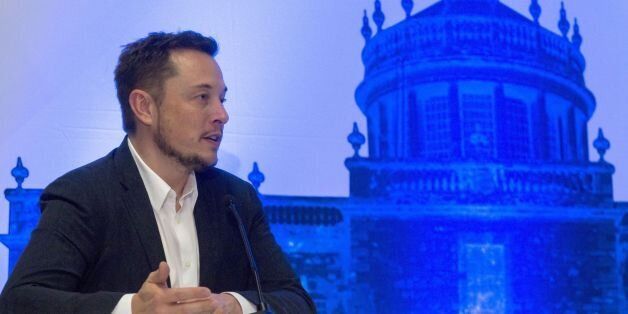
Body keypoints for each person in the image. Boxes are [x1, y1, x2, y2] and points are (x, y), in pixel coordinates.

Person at [0, 31, 315, 314]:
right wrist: (133, 309)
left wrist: (235, 305)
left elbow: (295, 300)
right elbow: (20, 302)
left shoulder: (236, 199)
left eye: (222, 99)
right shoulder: (85, 195)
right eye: (202, 97)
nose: (222, 114)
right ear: (144, 107)